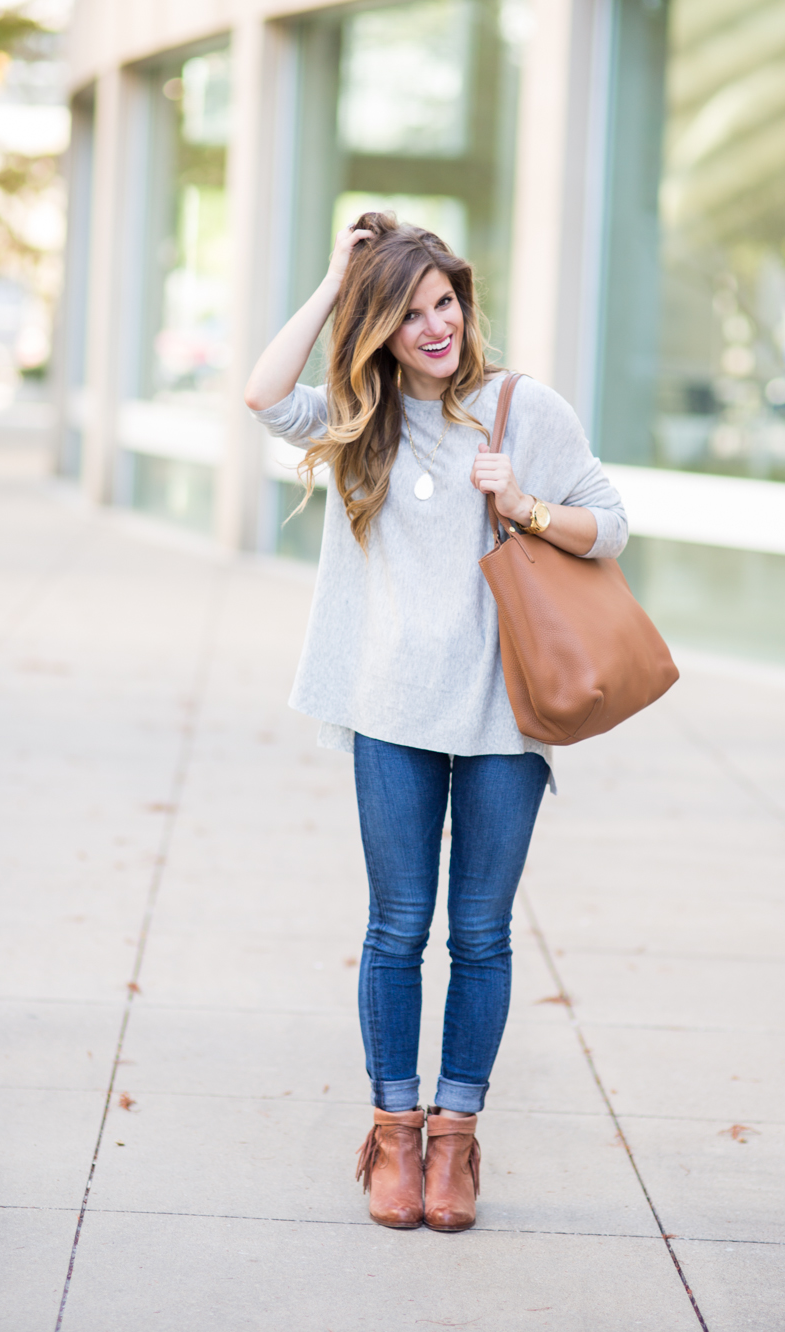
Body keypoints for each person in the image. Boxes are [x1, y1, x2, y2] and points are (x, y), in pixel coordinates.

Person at [244, 212, 627, 1233]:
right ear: (378, 326)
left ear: (464, 302)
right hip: (391, 711)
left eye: (443, 304)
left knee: (482, 933)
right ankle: (394, 1139)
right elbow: (262, 394)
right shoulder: (358, 419)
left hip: (506, 712)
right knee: (398, 928)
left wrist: (530, 509)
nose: (433, 328)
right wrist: (334, 276)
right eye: (408, 313)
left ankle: (455, 1141)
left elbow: (613, 521)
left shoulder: (519, 407)